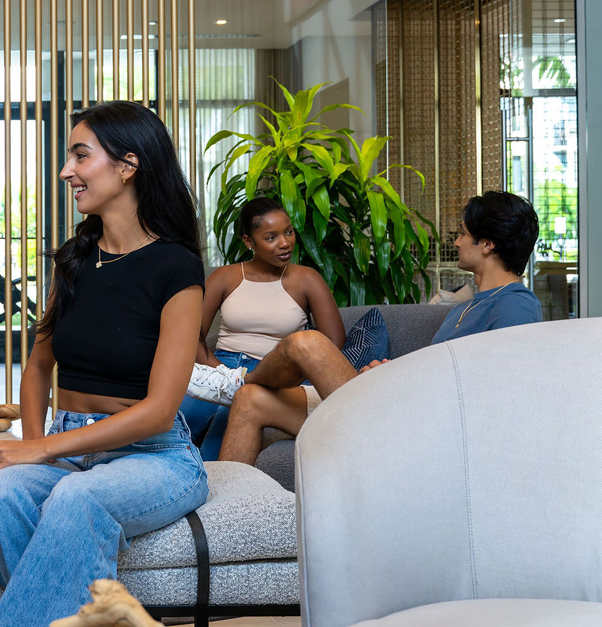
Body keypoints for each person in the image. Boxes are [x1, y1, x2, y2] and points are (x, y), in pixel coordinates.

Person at [0, 101, 207, 627]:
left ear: (127, 166)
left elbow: (159, 411)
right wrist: (34, 446)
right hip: (72, 445)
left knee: (75, 499)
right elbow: (38, 366)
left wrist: (39, 448)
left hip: (154, 455)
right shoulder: (75, 258)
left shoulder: (176, 267)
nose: (66, 170)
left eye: (80, 155)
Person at [218, 189, 543, 467]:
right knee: (250, 400)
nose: (456, 242)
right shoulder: (465, 308)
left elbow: (499, 390)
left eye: (462, 234)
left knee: (305, 343)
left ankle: (233, 380)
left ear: (486, 245)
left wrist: (399, 383)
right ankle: (226, 516)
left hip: (416, 427)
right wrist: (390, 373)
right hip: (397, 408)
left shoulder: (515, 304)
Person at [178, 193, 345, 456]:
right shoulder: (225, 277)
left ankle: (212, 479)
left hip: (273, 372)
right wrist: (223, 375)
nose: (285, 243)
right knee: (176, 427)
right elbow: (192, 336)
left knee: (218, 439)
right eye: (271, 237)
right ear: (249, 241)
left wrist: (290, 376)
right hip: (219, 367)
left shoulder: (307, 279)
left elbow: (332, 343)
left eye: (288, 232)